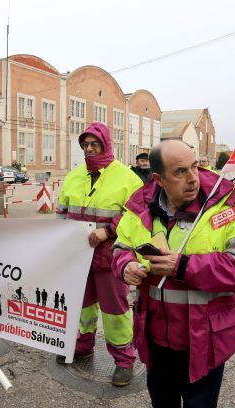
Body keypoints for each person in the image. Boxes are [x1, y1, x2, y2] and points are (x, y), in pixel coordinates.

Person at [112, 140, 235, 408]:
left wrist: (183, 266)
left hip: (206, 340)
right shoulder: (139, 208)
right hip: (156, 337)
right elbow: (120, 247)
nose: (193, 178)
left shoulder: (228, 207)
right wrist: (125, 266)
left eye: (194, 166)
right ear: (158, 179)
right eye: (180, 172)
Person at [55, 122, 144, 386]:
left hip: (111, 258)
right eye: (85, 144)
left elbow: (137, 216)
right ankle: (82, 346)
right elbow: (61, 212)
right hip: (79, 257)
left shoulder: (128, 178)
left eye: (95, 144)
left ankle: (124, 361)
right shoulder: (74, 176)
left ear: (106, 144)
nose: (89, 149)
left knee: (115, 311)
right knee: (82, 306)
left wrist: (108, 231)